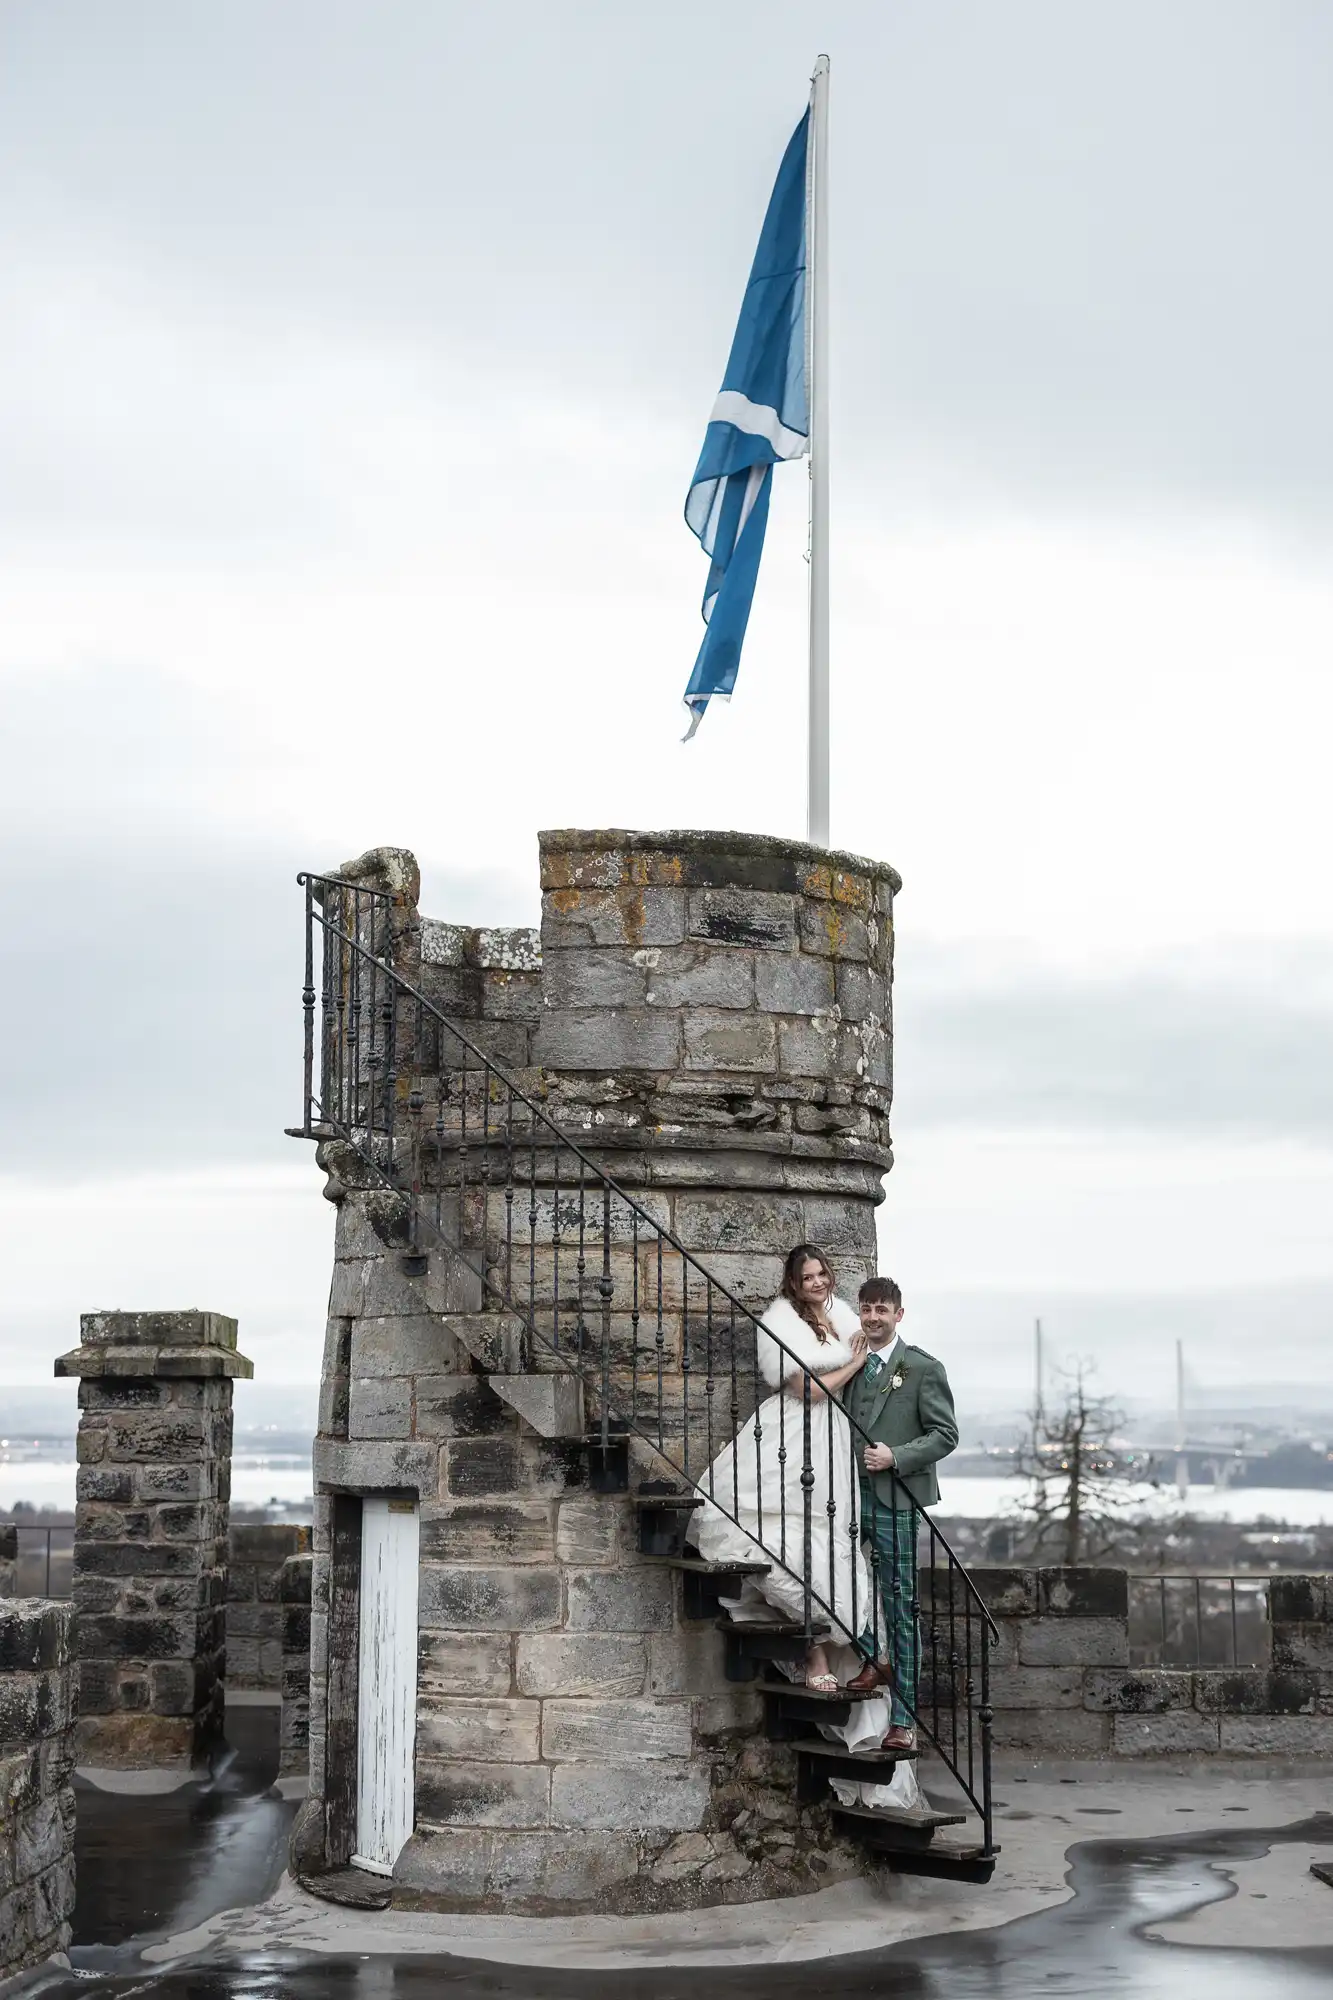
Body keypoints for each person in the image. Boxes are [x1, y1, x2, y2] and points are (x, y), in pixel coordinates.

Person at [692, 1243, 872, 1691]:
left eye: (822, 1274)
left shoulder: (842, 1317)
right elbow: (808, 1390)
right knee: (786, 1528)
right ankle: (813, 1653)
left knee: (828, 1533)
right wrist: (855, 1364)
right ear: (794, 1282)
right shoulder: (780, 1322)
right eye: (808, 1277)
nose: (818, 1282)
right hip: (794, 1429)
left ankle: (827, 1645)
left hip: (830, 1436)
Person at [841, 1276, 959, 1750]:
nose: (873, 1317)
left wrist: (897, 1456)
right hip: (846, 1496)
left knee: (901, 1605)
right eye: (866, 1309)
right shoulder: (853, 1364)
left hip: (896, 1498)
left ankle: (904, 1722)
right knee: (837, 1581)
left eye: (881, 1310)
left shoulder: (923, 1369)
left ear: (898, 1315)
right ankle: (873, 1655)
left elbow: (945, 1435)